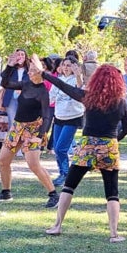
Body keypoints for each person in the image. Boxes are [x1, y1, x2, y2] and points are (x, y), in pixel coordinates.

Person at [42, 64, 127, 242]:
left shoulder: (88, 97)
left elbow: (64, 86)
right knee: (112, 191)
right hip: (109, 146)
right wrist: (113, 140)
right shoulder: (121, 101)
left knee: (69, 185)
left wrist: (44, 74)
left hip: (87, 145)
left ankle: (57, 225)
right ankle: (114, 234)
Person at [0, 55, 57, 205]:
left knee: (33, 164)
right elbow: (6, 83)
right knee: (3, 161)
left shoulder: (42, 92)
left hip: (33, 129)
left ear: (41, 72)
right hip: (17, 126)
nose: (29, 72)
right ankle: (6, 192)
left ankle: (53, 194)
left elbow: (47, 116)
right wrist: (9, 66)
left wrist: (40, 136)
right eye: (30, 69)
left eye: (33, 70)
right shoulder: (26, 84)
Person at [49, 58, 86, 186]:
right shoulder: (58, 80)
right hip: (59, 117)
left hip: (73, 117)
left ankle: (65, 174)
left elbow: (80, 88)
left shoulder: (76, 79)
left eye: (69, 65)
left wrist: (78, 75)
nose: (65, 67)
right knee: (56, 147)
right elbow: (50, 97)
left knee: (61, 148)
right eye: (64, 65)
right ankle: (62, 172)